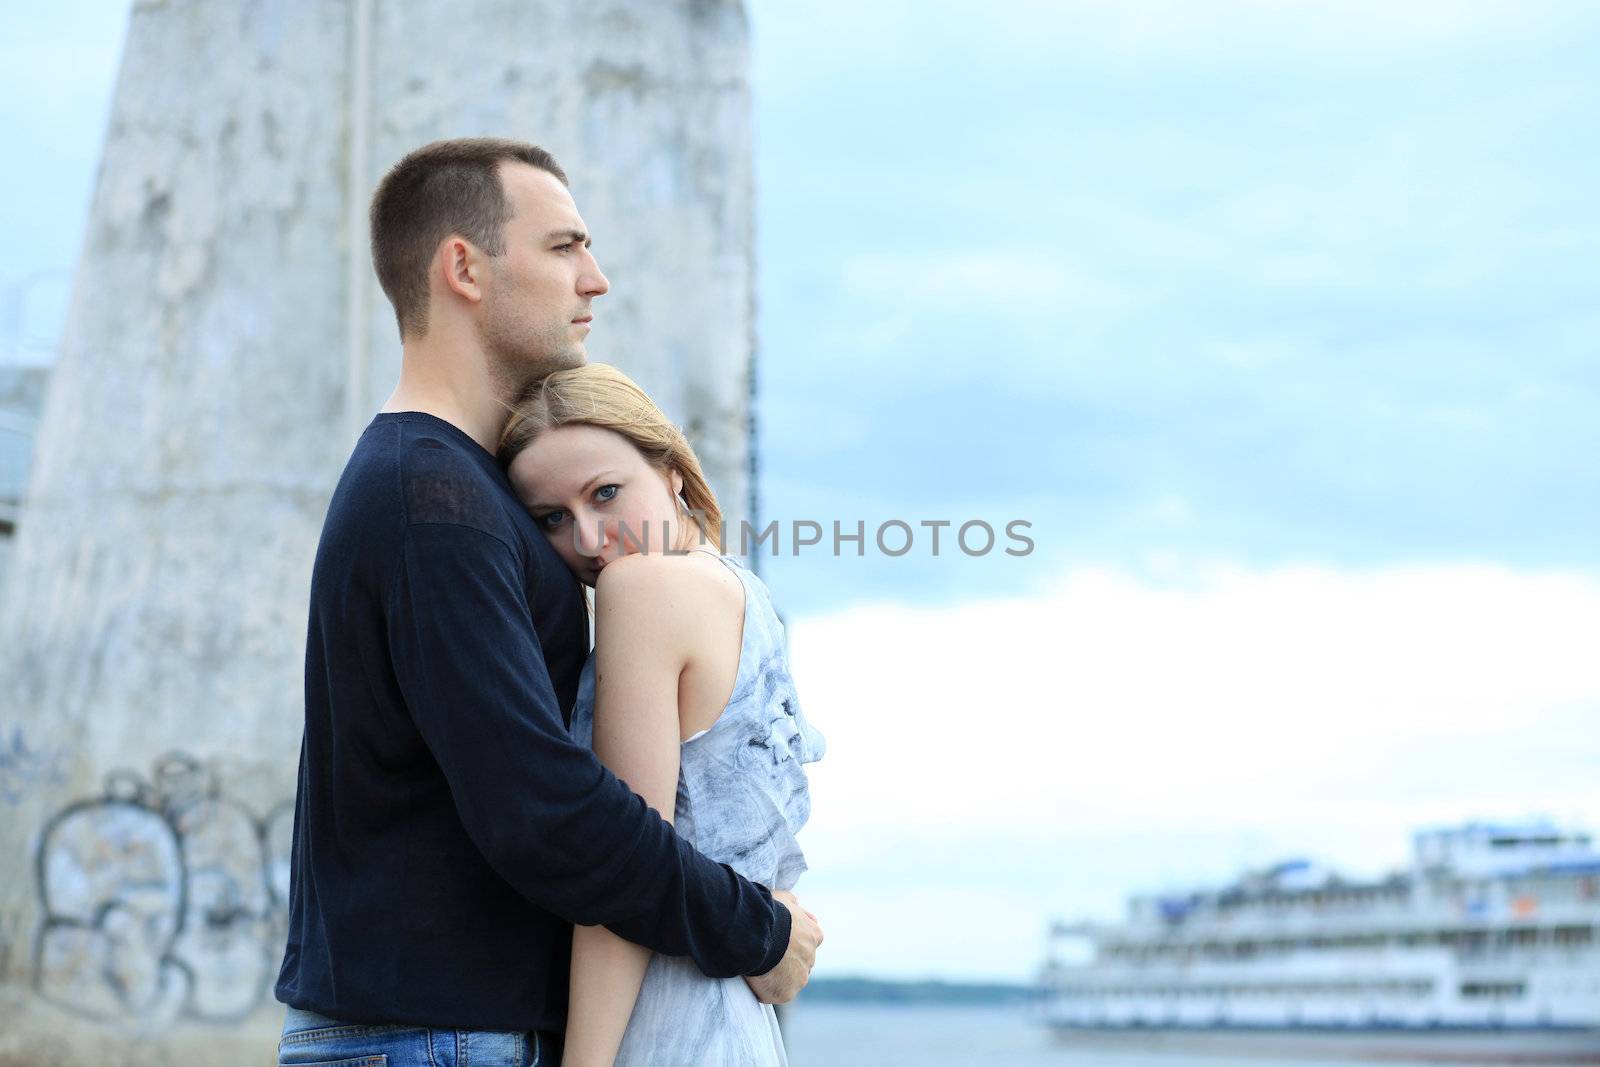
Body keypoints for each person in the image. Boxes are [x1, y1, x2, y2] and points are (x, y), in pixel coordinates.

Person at [273, 137, 822, 1067]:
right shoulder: (430, 498)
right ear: (464, 268)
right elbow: (543, 809)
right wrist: (758, 927)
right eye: (566, 246)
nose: (596, 279)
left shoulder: (460, 490)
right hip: (431, 1037)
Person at [497, 363, 825, 1066]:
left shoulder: (640, 588)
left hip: (664, 1029)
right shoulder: (747, 596)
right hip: (736, 1026)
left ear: (672, 469)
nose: (588, 540)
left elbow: (623, 868)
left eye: (606, 493)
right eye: (552, 518)